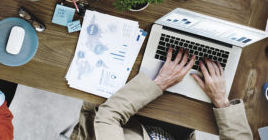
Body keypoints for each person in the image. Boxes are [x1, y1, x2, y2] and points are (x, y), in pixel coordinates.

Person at [69, 48, 252, 139]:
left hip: (116, 115)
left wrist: (160, 82)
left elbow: (108, 116)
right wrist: (221, 101)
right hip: (175, 127)